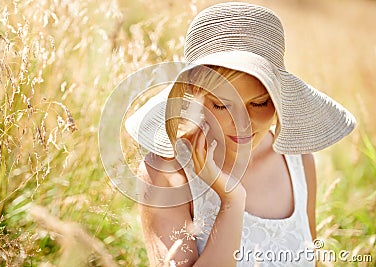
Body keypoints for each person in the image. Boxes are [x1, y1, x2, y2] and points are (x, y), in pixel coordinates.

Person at [124, 2, 356, 266]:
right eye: (222, 105)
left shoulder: (299, 162)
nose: (243, 123)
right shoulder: (168, 173)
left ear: (279, 98)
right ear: (193, 95)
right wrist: (232, 201)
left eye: (259, 103)